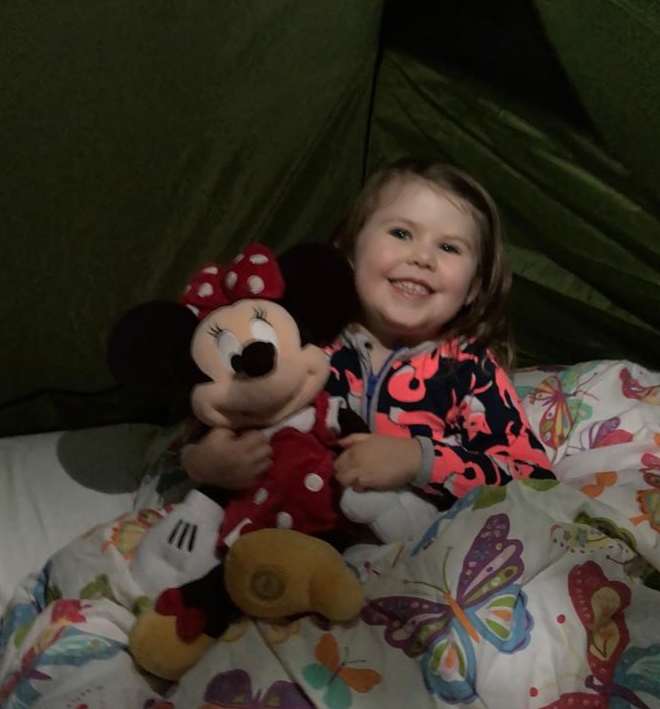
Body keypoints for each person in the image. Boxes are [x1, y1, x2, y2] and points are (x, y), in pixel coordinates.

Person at [183, 157, 554, 511]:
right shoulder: (299, 340)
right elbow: (220, 410)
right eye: (401, 233)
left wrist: (419, 460)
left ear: (473, 288)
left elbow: (533, 480)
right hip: (280, 532)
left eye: (448, 247)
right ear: (348, 249)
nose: (423, 258)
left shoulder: (471, 371)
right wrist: (203, 462)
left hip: (406, 544)